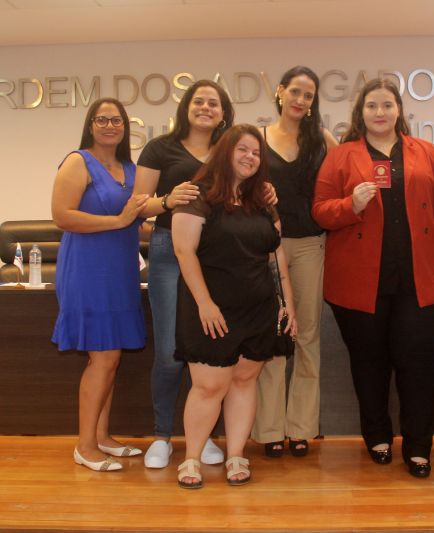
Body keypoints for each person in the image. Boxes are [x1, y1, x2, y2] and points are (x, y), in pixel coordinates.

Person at [312, 79, 434, 478]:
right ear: (360, 113)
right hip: (360, 283)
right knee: (369, 363)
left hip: (420, 279)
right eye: (372, 106)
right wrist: (351, 204)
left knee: (419, 365)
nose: (380, 112)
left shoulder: (425, 152)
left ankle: (418, 447)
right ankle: (377, 436)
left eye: (387, 105)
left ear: (399, 110)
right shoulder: (342, 156)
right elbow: (320, 211)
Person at [173, 124, 297, 489]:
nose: (250, 157)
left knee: (244, 381)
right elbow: (184, 251)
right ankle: (191, 459)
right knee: (209, 387)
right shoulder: (197, 195)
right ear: (225, 152)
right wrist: (205, 303)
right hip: (212, 309)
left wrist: (288, 305)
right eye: (242, 149)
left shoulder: (264, 201)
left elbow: (276, 254)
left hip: (258, 307)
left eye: (256, 153)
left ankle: (237, 454)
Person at [134, 80, 235, 469]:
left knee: (207, 350)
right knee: (169, 353)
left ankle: (202, 436)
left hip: (217, 256)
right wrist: (167, 200)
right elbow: (138, 206)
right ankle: (162, 436)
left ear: (223, 113)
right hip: (168, 253)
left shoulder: (228, 150)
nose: (206, 107)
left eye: (214, 103)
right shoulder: (160, 148)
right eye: (199, 101)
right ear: (186, 107)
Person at [51, 97, 148, 472]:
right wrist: (119, 221)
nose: (110, 126)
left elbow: (139, 221)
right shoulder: (78, 161)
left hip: (121, 271)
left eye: (116, 120)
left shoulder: (131, 168)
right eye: (102, 119)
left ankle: (103, 436)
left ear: (126, 127)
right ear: (90, 125)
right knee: (102, 357)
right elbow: (62, 216)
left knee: (111, 356)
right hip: (88, 270)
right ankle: (85, 445)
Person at [252, 66, 338, 458]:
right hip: (265, 247)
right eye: (296, 92)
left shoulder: (322, 139)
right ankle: (269, 428)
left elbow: (344, 181)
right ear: (280, 91)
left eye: (309, 95)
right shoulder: (257, 138)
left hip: (309, 245)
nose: (301, 100)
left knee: (307, 335)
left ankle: (302, 426)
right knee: (272, 336)